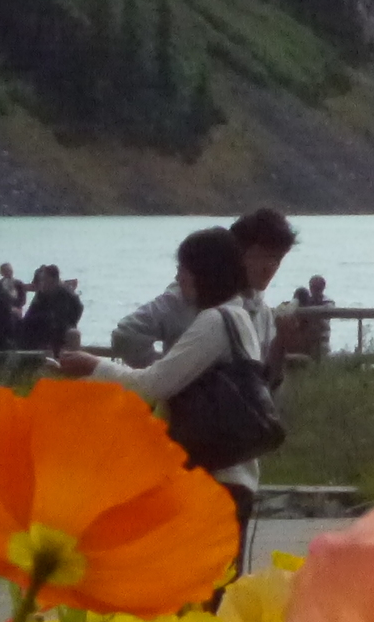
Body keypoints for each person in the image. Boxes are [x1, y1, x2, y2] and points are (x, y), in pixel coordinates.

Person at [58, 225, 277, 573]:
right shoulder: (243, 318)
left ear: (204, 274)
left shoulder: (214, 321)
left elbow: (151, 385)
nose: (179, 278)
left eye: (184, 270)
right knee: (215, 593)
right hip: (236, 474)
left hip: (213, 476)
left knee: (193, 594)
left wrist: (92, 365)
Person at [111, 205, 297, 365]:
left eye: (277, 259)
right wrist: (167, 375)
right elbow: (127, 335)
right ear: (236, 253)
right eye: (260, 256)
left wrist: (280, 343)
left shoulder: (262, 312)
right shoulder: (186, 295)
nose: (270, 268)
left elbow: (263, 384)